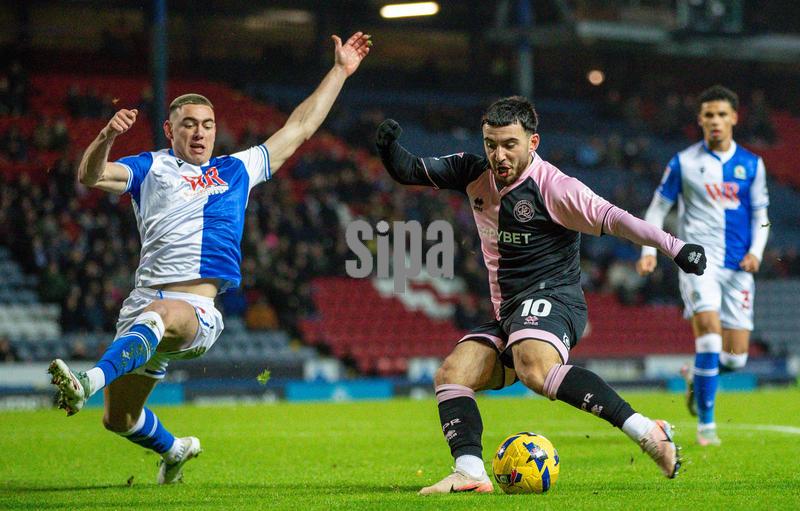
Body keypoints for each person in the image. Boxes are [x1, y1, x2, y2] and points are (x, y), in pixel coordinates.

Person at [48, 31, 371, 484]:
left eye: (207, 124)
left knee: (161, 314)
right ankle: (175, 449)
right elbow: (90, 175)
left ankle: (87, 381)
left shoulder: (235, 170)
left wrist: (339, 71)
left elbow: (298, 128)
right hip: (141, 309)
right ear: (170, 130)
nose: (199, 132)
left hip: (195, 312)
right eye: (188, 124)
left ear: (216, 130)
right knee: (118, 420)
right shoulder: (150, 167)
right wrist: (105, 135)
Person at [375, 96, 707, 495]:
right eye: (491, 143)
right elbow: (410, 169)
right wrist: (388, 147)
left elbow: (617, 220)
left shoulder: (556, 188)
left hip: (556, 299)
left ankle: (646, 431)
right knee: (452, 376)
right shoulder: (472, 170)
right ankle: (470, 472)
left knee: (534, 368)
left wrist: (675, 248)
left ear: (533, 143)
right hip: (509, 311)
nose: (498, 155)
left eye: (509, 145)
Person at [636, 85, 770, 447]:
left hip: (740, 266)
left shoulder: (752, 165)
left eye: (722, 114)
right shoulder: (683, 162)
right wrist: (649, 249)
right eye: (708, 114)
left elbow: (762, 216)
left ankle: (699, 377)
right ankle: (706, 427)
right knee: (709, 332)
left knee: (736, 358)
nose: (715, 121)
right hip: (698, 262)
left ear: (734, 119)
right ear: (700, 119)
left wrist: (757, 250)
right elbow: (658, 207)